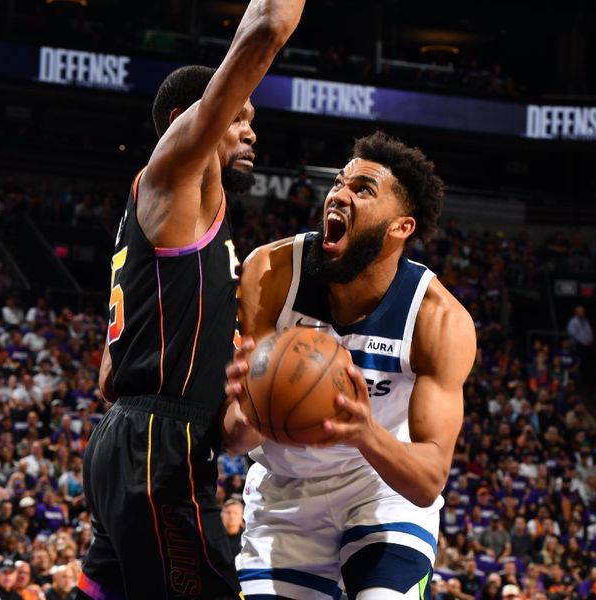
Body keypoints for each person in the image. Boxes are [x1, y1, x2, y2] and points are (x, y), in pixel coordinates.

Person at [78, 1, 305, 599]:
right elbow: (264, 30)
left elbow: (108, 375)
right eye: (238, 116)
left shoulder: (165, 218)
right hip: (159, 452)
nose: (250, 128)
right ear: (188, 122)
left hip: (137, 438)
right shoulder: (182, 172)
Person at [224, 131, 476, 599]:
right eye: (340, 182)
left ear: (401, 227)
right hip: (286, 492)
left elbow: (426, 482)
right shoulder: (272, 272)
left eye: (363, 189)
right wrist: (250, 410)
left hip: (382, 490)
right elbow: (236, 439)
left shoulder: (438, 319)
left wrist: (364, 432)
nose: (339, 193)